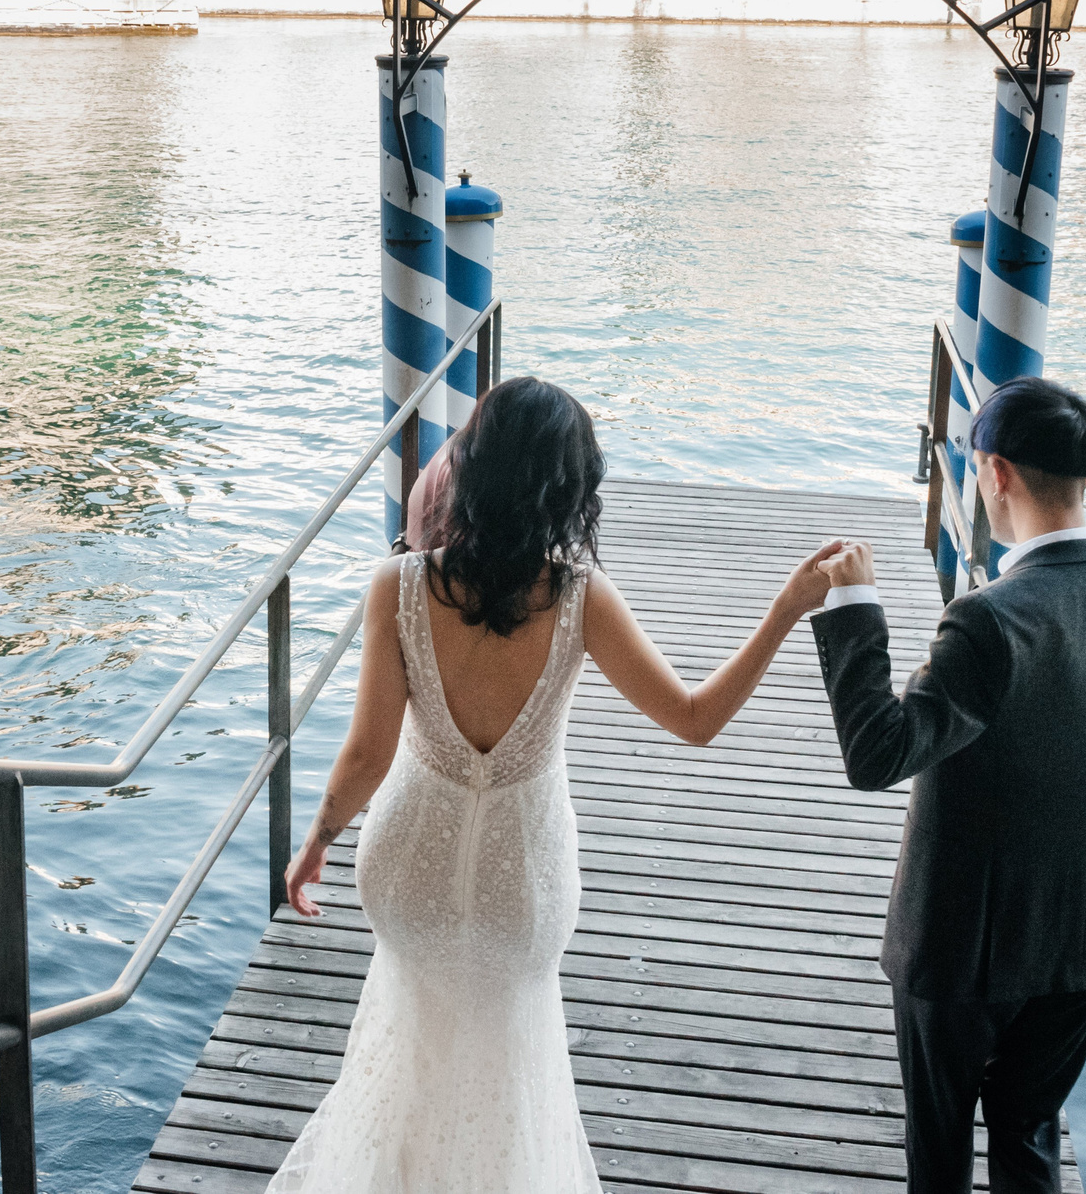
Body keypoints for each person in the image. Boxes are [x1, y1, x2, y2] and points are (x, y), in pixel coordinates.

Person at [269, 376, 841, 1191]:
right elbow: (693, 717)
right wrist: (786, 607)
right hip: (522, 887)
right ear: (569, 488)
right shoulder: (579, 598)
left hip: (406, 868)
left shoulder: (395, 585)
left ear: (470, 466)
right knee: (509, 1073)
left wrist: (317, 842)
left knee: (404, 1053)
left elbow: (367, 752)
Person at [808, 377, 1086, 1194]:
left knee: (941, 1151)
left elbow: (878, 752)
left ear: (995, 474)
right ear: (1085, 477)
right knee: (1026, 1137)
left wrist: (854, 603)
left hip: (961, 948)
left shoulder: (991, 618)